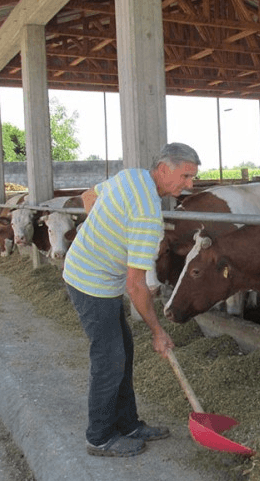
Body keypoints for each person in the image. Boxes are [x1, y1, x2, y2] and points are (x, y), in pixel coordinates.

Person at [63, 142, 200, 457]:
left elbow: (89, 197)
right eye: (186, 176)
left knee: (122, 351)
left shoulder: (131, 176)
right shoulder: (148, 218)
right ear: (163, 169)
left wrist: (101, 232)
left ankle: (128, 424)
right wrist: (158, 331)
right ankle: (99, 438)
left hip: (95, 276)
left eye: (193, 178)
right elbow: (137, 286)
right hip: (89, 283)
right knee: (110, 360)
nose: (190, 185)